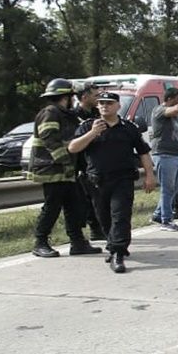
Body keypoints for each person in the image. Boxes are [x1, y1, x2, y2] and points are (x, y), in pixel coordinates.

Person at [69, 92, 156, 274]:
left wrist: (149, 175)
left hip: (122, 180)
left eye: (109, 103)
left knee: (120, 216)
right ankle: (114, 244)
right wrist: (93, 133)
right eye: (101, 103)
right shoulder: (88, 126)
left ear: (117, 106)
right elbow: (73, 148)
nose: (104, 106)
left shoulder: (128, 128)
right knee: (104, 218)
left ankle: (117, 252)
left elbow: (143, 152)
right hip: (97, 181)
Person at [27, 78, 102, 258]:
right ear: (66, 97)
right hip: (52, 170)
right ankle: (40, 242)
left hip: (66, 170)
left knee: (75, 206)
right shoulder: (50, 113)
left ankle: (77, 242)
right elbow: (50, 140)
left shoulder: (65, 114)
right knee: (52, 207)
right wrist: (66, 163)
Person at [150, 87, 178, 231]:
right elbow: (172, 110)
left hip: (176, 154)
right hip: (164, 154)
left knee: (175, 188)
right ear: (170, 99)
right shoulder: (159, 110)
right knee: (167, 189)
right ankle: (166, 221)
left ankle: (158, 214)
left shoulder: (177, 117)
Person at [72, 82, 106, 241]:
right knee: (86, 201)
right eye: (95, 95)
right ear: (84, 97)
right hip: (81, 164)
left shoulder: (97, 114)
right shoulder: (73, 116)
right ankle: (93, 229)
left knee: (99, 199)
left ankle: (100, 229)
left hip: (97, 162)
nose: (98, 98)